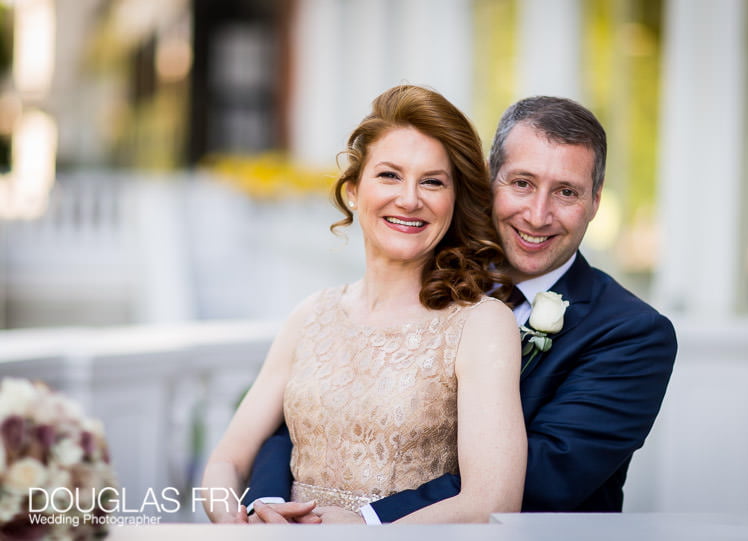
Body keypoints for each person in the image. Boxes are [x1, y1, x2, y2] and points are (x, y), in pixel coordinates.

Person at [245, 95, 677, 524]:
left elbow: (540, 479)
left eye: (566, 192)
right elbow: (310, 415)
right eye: (522, 183)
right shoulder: (422, 275)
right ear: (489, 181)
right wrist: (272, 506)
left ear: (596, 202)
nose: (538, 214)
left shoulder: (632, 334)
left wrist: (368, 519)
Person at [200, 84, 527, 524]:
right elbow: (226, 463)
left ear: (454, 201)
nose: (409, 198)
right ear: (353, 191)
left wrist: (363, 531)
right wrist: (240, 520)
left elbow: (492, 500)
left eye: (432, 181)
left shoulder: (482, 325)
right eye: (389, 175)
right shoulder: (310, 315)